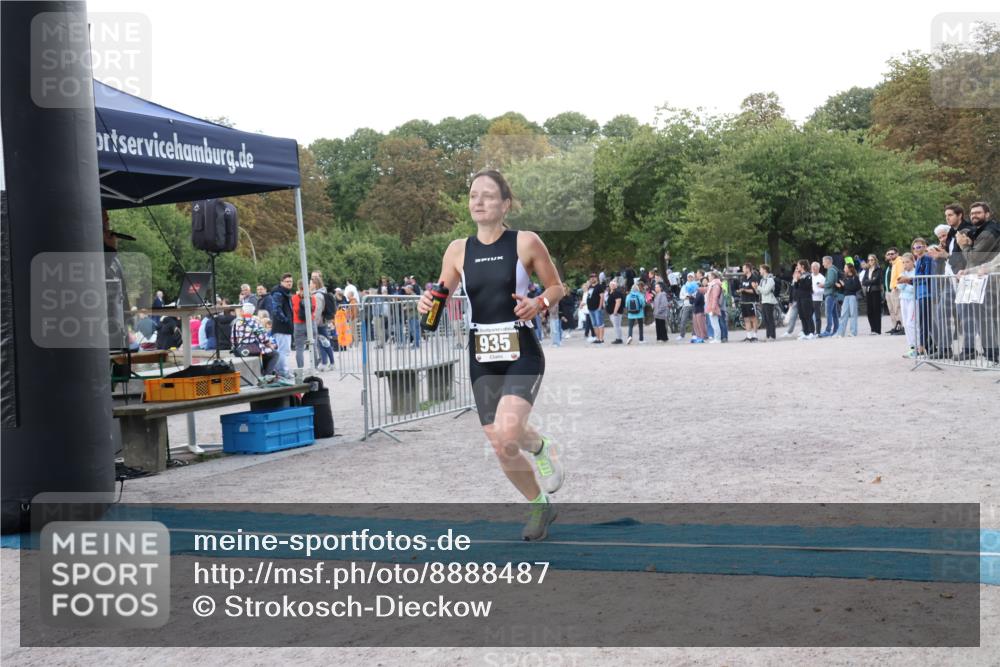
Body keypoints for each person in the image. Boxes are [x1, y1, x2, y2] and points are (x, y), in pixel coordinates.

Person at [417, 170, 566, 541]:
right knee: (501, 443)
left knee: (509, 429)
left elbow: (556, 287)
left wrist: (539, 302)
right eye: (473, 195)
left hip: (520, 349)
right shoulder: (457, 250)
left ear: (505, 204)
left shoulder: (526, 242)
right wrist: (426, 303)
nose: (478, 202)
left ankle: (539, 447)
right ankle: (539, 504)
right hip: (481, 353)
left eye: (487, 195)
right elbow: (440, 294)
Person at [231, 302, 279, 376]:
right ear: (253, 312)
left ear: (242, 311)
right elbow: (264, 339)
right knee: (275, 354)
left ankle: (266, 374)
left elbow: (233, 340)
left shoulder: (236, 323)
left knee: (264, 353)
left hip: (239, 351)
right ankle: (267, 375)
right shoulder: (255, 322)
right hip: (252, 350)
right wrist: (271, 346)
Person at [269, 273, 295, 378]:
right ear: (281, 282)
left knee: (284, 350)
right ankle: (283, 372)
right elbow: (276, 310)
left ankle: (282, 371)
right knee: (283, 351)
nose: (289, 283)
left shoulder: (285, 293)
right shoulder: (279, 293)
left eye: (291, 281)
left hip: (284, 327)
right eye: (287, 281)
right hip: (281, 327)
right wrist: (286, 320)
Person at [896, 253, 918, 358]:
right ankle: (911, 347)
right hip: (903, 299)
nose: (905, 264)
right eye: (903, 262)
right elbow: (899, 286)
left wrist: (905, 282)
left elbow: (913, 288)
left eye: (907, 262)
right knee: (905, 323)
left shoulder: (916, 272)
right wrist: (905, 282)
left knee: (911, 323)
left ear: (913, 261)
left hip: (913, 300)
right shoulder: (903, 273)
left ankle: (917, 347)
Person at [835, 263, 862, 337]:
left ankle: (853, 332)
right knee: (843, 314)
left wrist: (844, 285)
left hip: (853, 297)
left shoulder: (855, 277)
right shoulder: (845, 277)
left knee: (853, 314)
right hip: (846, 297)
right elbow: (843, 290)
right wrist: (840, 286)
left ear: (849, 269)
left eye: (845, 267)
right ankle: (841, 333)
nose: (844, 269)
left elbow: (856, 288)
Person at [793, 259, 816, 340]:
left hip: (806, 298)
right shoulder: (800, 275)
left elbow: (807, 286)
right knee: (802, 316)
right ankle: (805, 332)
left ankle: (811, 332)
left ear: (802, 266)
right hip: (799, 298)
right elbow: (796, 287)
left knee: (808, 315)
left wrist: (799, 279)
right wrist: (796, 280)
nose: (797, 267)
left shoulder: (808, 275)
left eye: (798, 265)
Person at [737, 262, 760, 341]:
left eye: (744, 268)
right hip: (743, 301)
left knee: (753, 318)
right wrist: (740, 291)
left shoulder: (754, 278)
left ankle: (755, 336)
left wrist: (744, 290)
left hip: (751, 301)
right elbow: (741, 287)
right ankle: (749, 336)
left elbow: (755, 291)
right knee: (746, 319)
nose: (743, 270)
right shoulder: (743, 278)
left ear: (748, 269)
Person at [757, 264, 778, 341]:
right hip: (763, 301)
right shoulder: (762, 280)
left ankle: (772, 336)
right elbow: (759, 292)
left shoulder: (770, 280)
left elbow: (766, 291)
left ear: (765, 270)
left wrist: (758, 287)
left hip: (769, 301)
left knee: (770, 319)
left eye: (760, 269)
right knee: (765, 319)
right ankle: (768, 335)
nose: (759, 271)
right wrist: (756, 288)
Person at [605, 280, 625, 344]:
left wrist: (615, 311)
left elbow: (618, 302)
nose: (612, 286)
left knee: (617, 326)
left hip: (616, 313)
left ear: (616, 286)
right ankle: (618, 338)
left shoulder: (617, 292)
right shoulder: (611, 292)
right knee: (616, 326)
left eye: (613, 285)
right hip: (612, 312)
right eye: (611, 285)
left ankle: (619, 339)